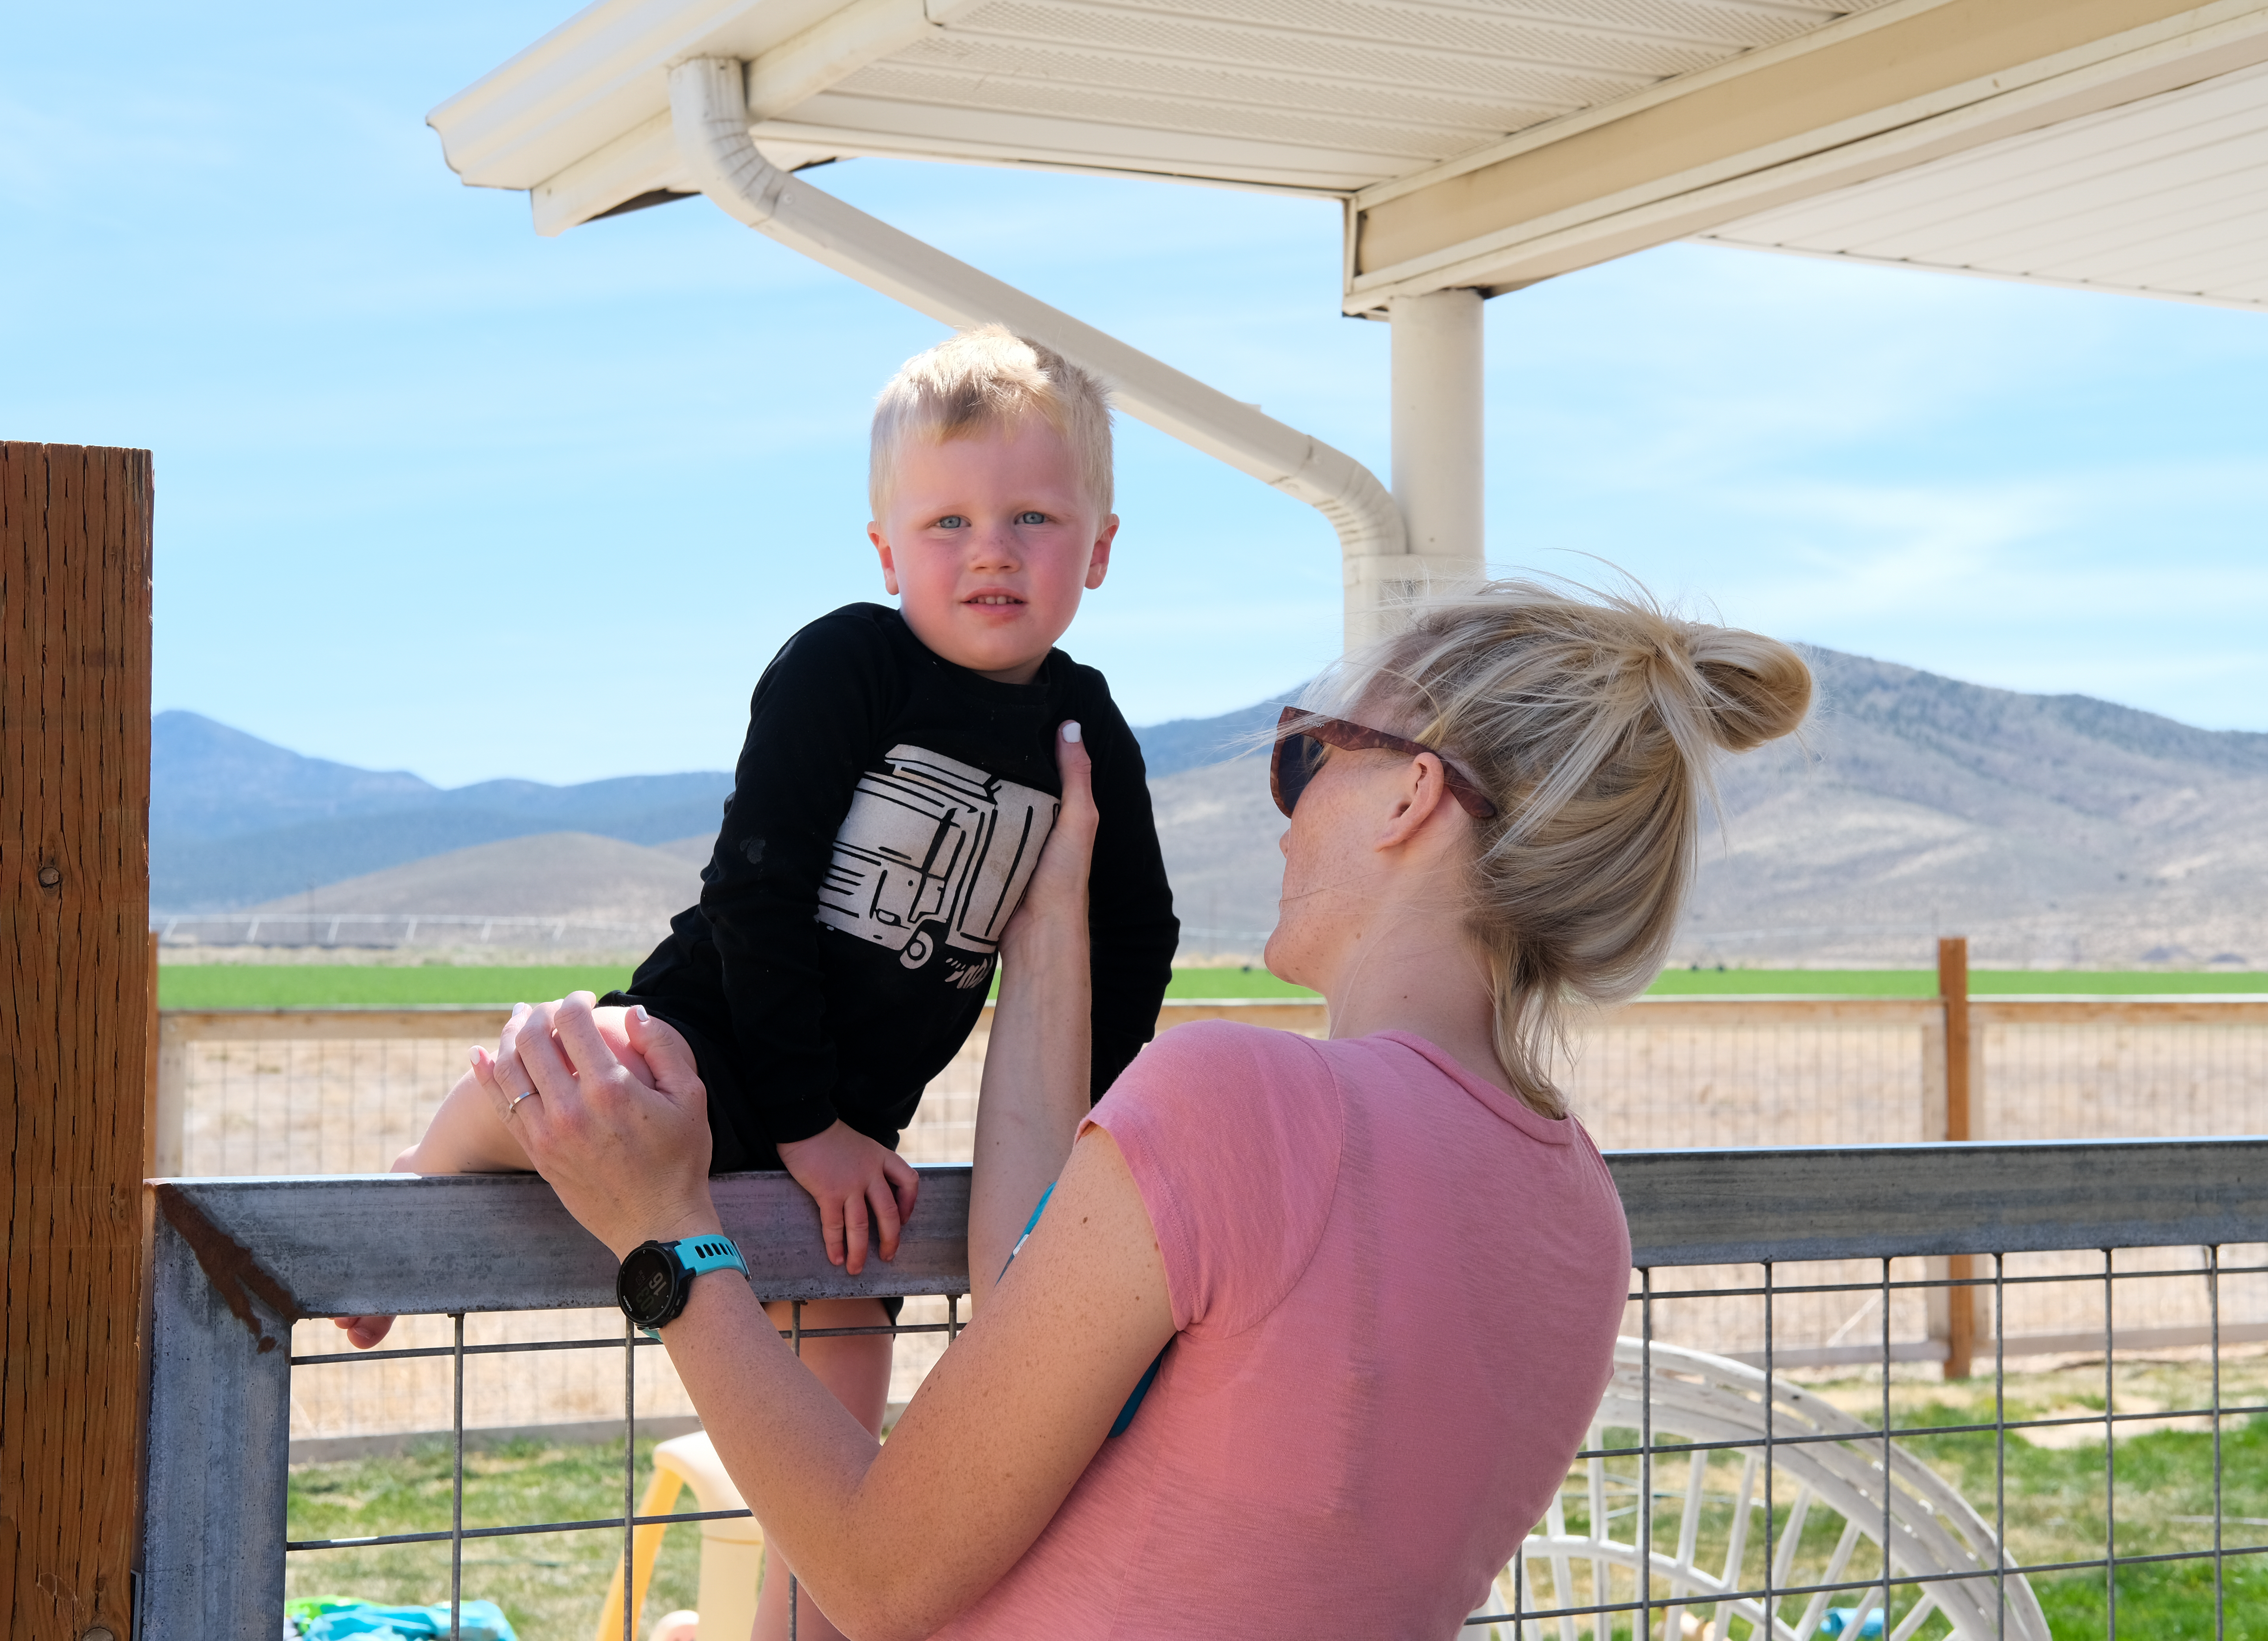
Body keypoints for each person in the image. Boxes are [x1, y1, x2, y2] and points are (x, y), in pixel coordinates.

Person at [485, 580, 1814, 1639]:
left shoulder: (1248, 1098)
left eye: (1307, 760)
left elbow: (881, 1581)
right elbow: (1033, 1296)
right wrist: (1053, 908)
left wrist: (665, 1233)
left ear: (1412, 793)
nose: (1284, 813)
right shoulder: (1577, 1209)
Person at [336, 327, 1179, 1488]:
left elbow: (1134, 938)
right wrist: (802, 1126)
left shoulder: (1089, 730)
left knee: (844, 1408)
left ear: (1099, 550)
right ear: (888, 551)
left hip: (851, 1126)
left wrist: (1090, 1121)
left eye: (1033, 517)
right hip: (718, 1046)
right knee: (597, 1060)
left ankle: (818, 1595)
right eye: (949, 523)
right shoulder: (850, 666)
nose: (992, 551)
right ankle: (414, 1184)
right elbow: (758, 885)